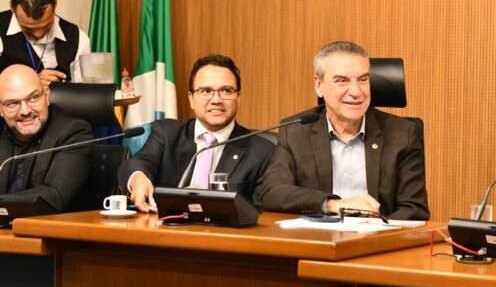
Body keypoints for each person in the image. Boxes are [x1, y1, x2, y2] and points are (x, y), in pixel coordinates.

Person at [258, 41, 429, 220]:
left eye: (363, 79)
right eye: (342, 80)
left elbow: (415, 209)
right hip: (320, 240)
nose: (355, 91)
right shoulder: (296, 131)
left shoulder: (402, 133)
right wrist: (332, 204)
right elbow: (272, 193)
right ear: (319, 85)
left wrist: (376, 232)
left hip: (376, 240)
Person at [118, 54, 275, 212]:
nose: (216, 100)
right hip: (166, 231)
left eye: (226, 91)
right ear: (191, 98)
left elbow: (260, 210)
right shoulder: (167, 134)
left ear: (238, 98)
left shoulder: (262, 151)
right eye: (206, 91)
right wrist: (138, 179)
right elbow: (135, 164)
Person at [0, 65, 93, 211]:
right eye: (13, 103)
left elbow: (53, 197)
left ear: (46, 96)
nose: (25, 111)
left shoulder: (74, 132)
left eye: (33, 98)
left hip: (52, 229)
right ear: (0, 109)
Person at [0, 0, 92, 84]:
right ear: (12, 8)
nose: (39, 34)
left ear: (55, 3)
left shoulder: (78, 37)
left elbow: (85, 92)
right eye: (28, 28)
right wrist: (31, 82)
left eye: (47, 25)